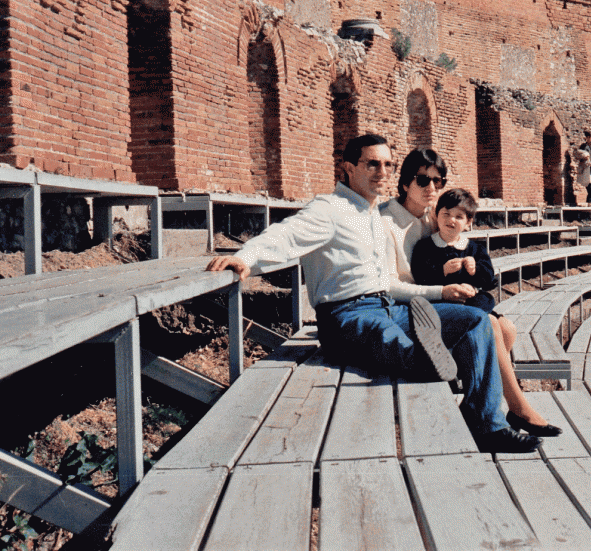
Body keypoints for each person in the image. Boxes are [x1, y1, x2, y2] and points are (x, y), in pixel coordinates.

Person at [206, 134, 541, 453]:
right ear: (349, 168)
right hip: (346, 314)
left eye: (387, 165)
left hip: (387, 307)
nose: (382, 172)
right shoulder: (330, 209)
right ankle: (432, 360)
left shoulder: (372, 214)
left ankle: (487, 423)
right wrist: (246, 256)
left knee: (475, 321)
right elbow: (286, 235)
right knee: (405, 348)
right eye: (372, 164)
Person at [383, 150, 562, 437]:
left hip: (441, 302)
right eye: (422, 180)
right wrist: (441, 288)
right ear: (404, 183)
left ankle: (476, 397)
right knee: (489, 324)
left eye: (437, 182)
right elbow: (387, 286)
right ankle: (518, 409)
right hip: (409, 309)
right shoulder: (384, 222)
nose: (431, 188)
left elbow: (477, 261)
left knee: (505, 327)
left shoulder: (434, 217)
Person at [410, 188, 496, 314]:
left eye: (459, 217)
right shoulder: (425, 247)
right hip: (440, 303)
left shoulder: (474, 248)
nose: (451, 220)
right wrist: (442, 271)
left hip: (472, 301)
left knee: (508, 328)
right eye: (446, 214)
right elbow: (420, 276)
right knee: (488, 322)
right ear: (437, 214)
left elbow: (489, 278)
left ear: (468, 222)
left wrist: (475, 270)